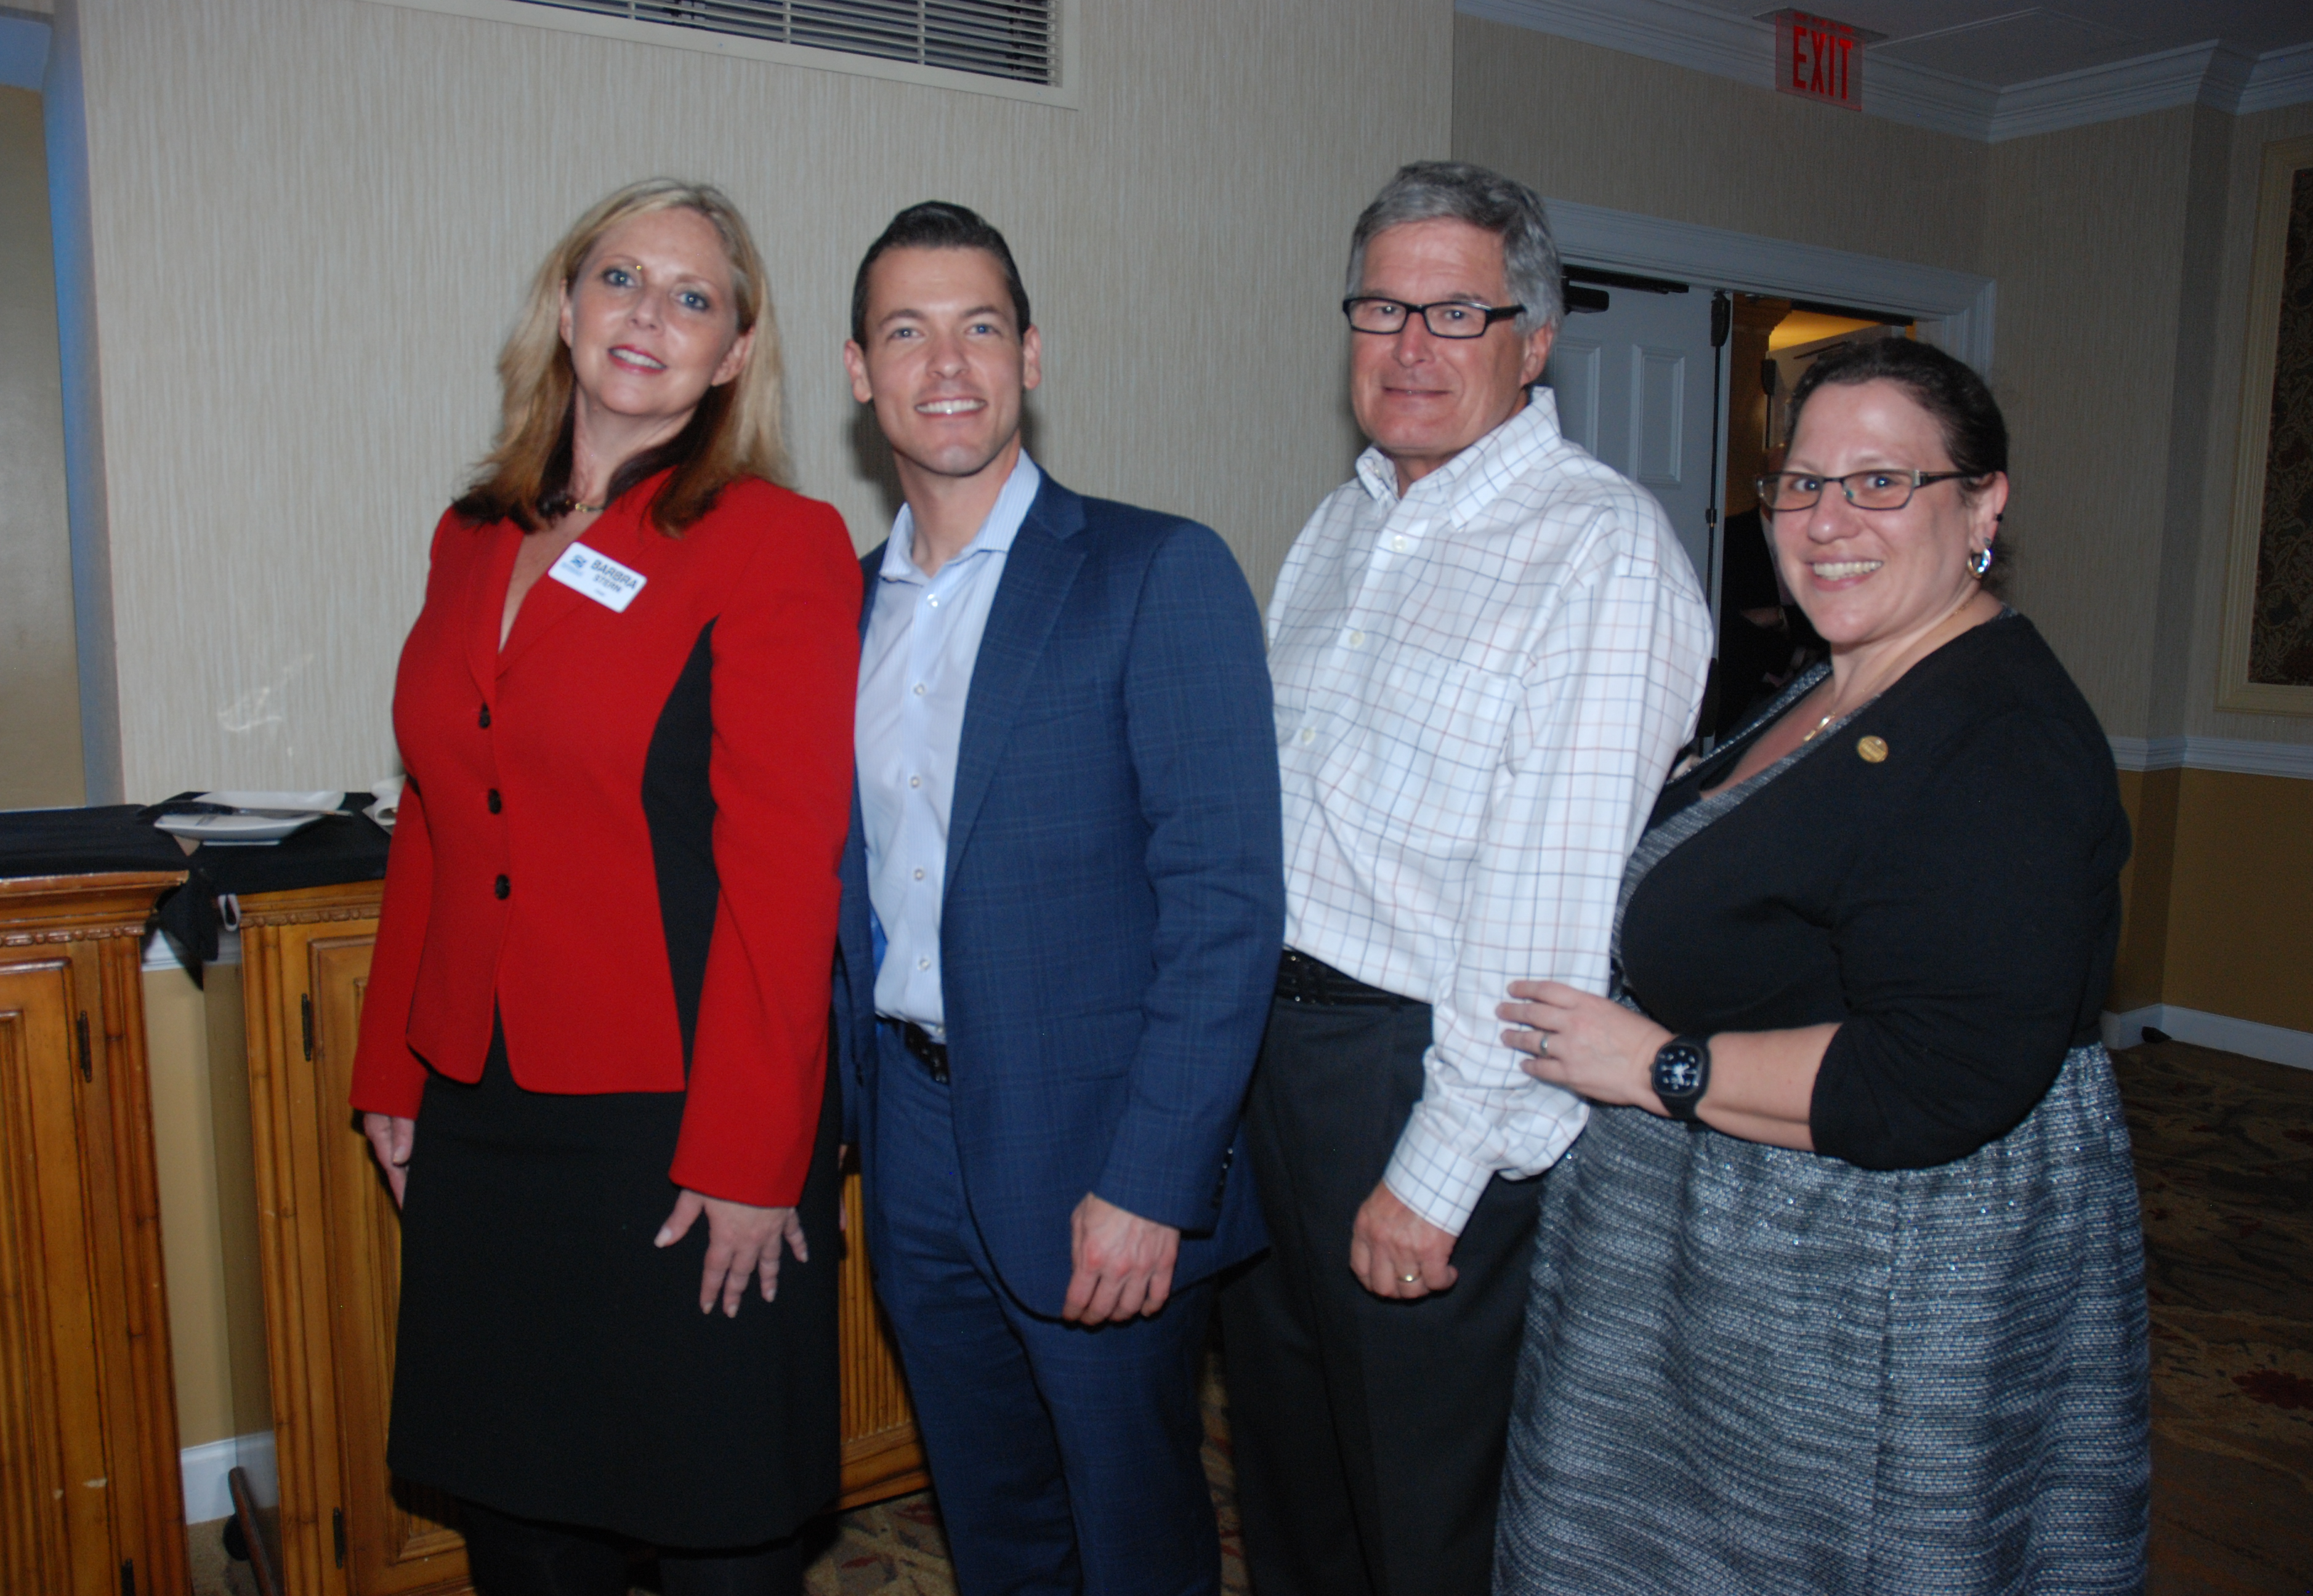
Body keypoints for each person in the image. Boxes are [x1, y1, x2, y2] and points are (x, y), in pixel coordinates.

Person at [1492, 336, 2149, 1594]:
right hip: (1728, 1265)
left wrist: (1662, 1066)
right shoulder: (1827, 685)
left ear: (1983, 506)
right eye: (1801, 485)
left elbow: (1941, 1073)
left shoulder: (1998, 737)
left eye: (1881, 482)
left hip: (1864, 1293)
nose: (1828, 521)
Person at [348, 178, 860, 1596]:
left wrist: (757, 1159)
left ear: (737, 353)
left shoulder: (770, 540)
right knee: (521, 1524)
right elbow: (436, 824)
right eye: (621, 279)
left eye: (695, 298)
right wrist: (393, 1067)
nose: (650, 316)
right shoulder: (469, 538)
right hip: (485, 1114)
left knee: (716, 1528)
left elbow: (784, 875)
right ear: (565, 308)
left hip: (679, 1123)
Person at [1216, 160, 1713, 1595]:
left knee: (1423, 1516)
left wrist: (1436, 1177)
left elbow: (1545, 911)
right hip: (1274, 1069)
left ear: (1534, 341)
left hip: (1417, 1076)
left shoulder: (1599, 551)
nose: (1409, 346)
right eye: (1381, 308)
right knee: (1291, 1478)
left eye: (1455, 312)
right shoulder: (1342, 523)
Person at [832, 201, 1282, 1596]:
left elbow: (1225, 904)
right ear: (860, 372)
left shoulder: (1157, 571)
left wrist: (1153, 1183)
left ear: (1030, 354)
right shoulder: (834, 610)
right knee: (992, 1514)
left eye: (978, 326)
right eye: (907, 331)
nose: (946, 363)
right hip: (910, 1135)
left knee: (1133, 1527)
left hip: (1102, 1152)